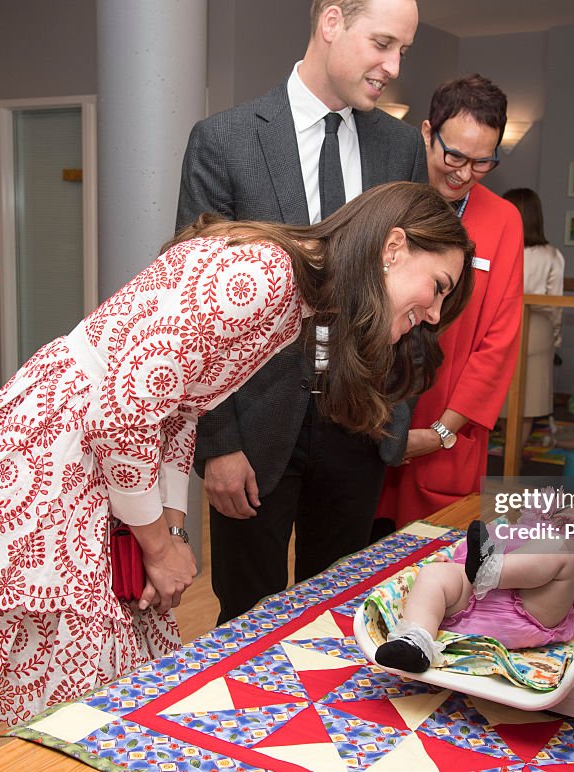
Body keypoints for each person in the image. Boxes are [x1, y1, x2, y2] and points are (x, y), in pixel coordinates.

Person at [0, 181, 474, 724]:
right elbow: (122, 415)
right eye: (439, 288)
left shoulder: (294, 289)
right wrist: (157, 546)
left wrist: (169, 532)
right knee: (77, 683)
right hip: (64, 451)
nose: (431, 314)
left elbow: (182, 408)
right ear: (393, 248)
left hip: (97, 453)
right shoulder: (267, 274)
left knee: (104, 676)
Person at [175, 0, 429, 624]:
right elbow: (195, 309)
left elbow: (420, 293)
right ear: (332, 21)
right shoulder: (225, 142)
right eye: (383, 43)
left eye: (403, 51)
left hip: (358, 428)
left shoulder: (400, 149)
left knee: (340, 616)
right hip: (255, 433)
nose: (394, 66)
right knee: (245, 618)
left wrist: (392, 419)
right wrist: (219, 445)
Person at [375, 74, 525, 533]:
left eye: (483, 163)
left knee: (435, 577)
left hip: (445, 437)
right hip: (370, 426)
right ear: (426, 132)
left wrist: (442, 432)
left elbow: (499, 344)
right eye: (454, 155)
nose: (464, 173)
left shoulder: (503, 221)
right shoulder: (386, 200)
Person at [376, 507, 574, 672]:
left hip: (534, 609)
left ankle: (493, 570)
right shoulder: (529, 531)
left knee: (562, 548)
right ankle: (416, 642)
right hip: (478, 596)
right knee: (434, 574)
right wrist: (455, 563)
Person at [497, 187, 565, 449]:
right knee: (531, 394)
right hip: (538, 325)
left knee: (502, 390)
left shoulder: (500, 250)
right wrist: (555, 336)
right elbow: (555, 303)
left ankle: (506, 445)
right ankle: (516, 449)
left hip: (502, 322)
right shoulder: (551, 255)